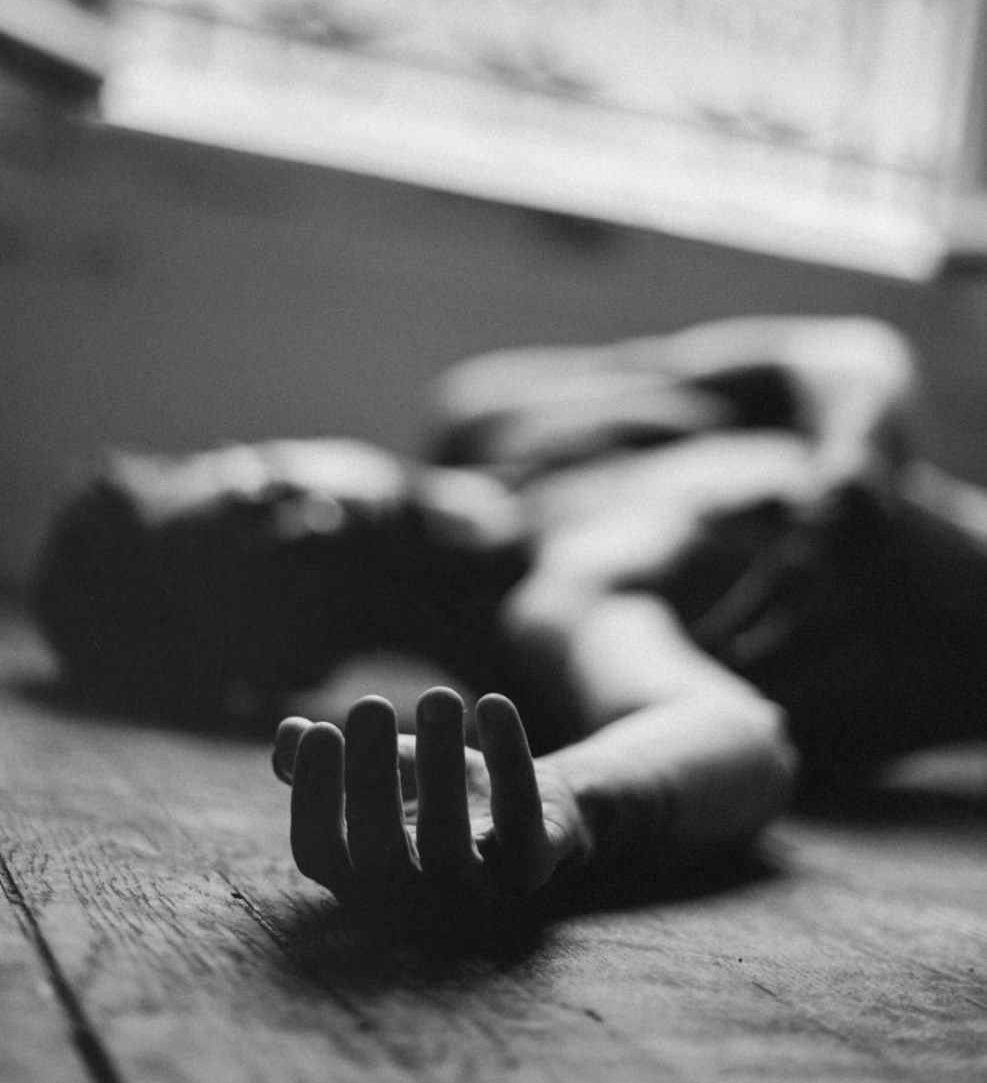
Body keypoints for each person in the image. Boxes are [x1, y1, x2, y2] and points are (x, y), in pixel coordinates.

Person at [32, 315, 987, 919]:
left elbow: (841, 349)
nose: (312, 523)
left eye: (261, 493)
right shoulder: (559, 609)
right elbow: (736, 735)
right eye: (271, 572)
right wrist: (565, 796)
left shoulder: (500, 409)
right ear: (278, 665)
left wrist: (855, 463)